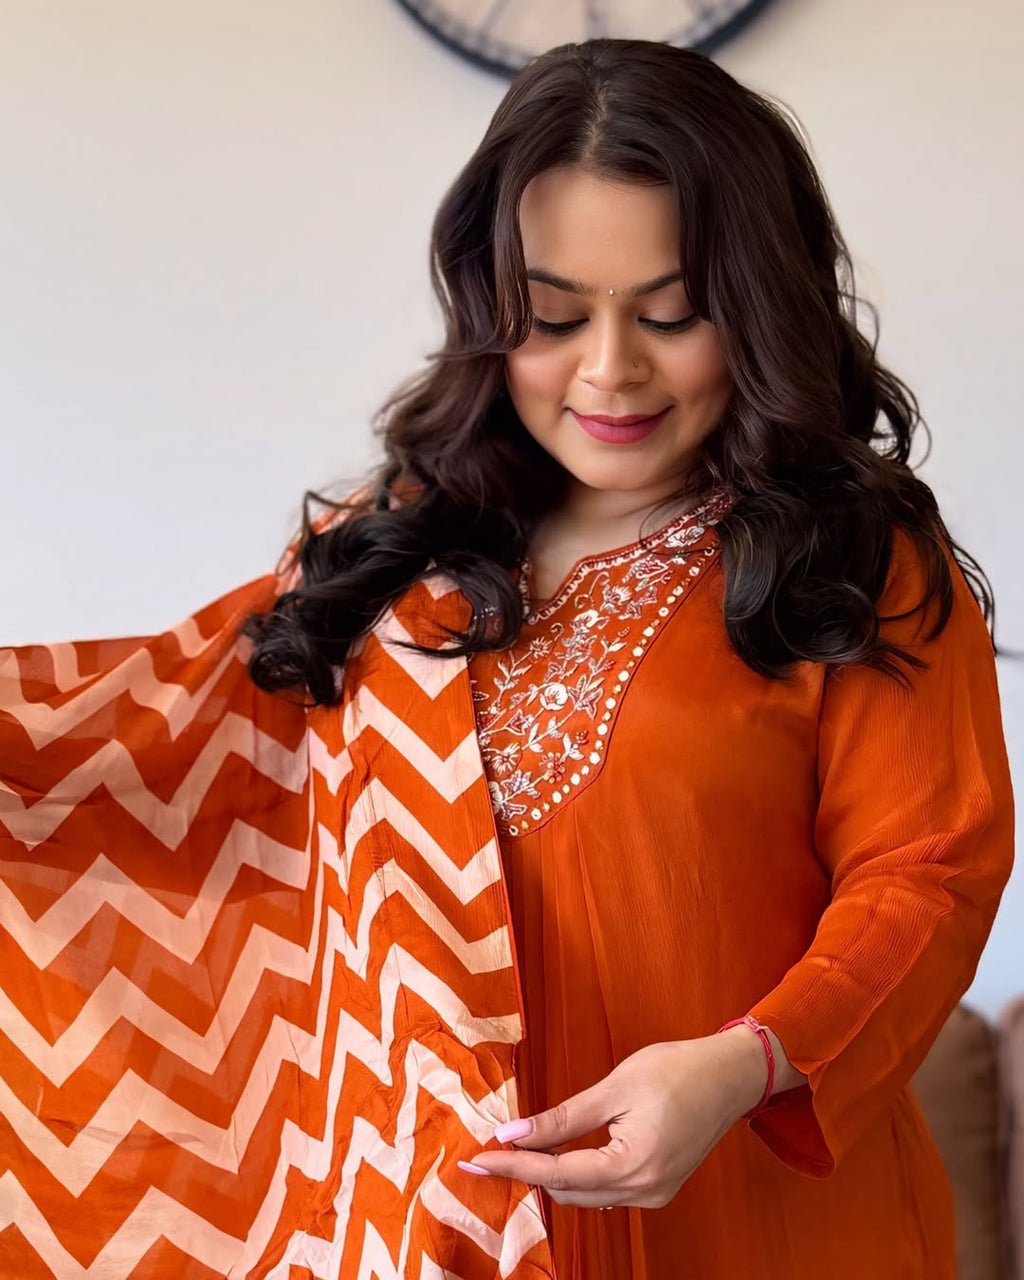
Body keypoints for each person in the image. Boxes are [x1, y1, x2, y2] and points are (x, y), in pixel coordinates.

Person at [0, 37, 1013, 1280]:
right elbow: (143, 742)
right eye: (550, 317)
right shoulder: (388, 553)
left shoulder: (850, 556)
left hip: (761, 1220)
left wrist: (745, 1059)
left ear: (757, 302)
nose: (608, 369)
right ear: (488, 311)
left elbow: (931, 870)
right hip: (447, 1231)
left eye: (670, 312)